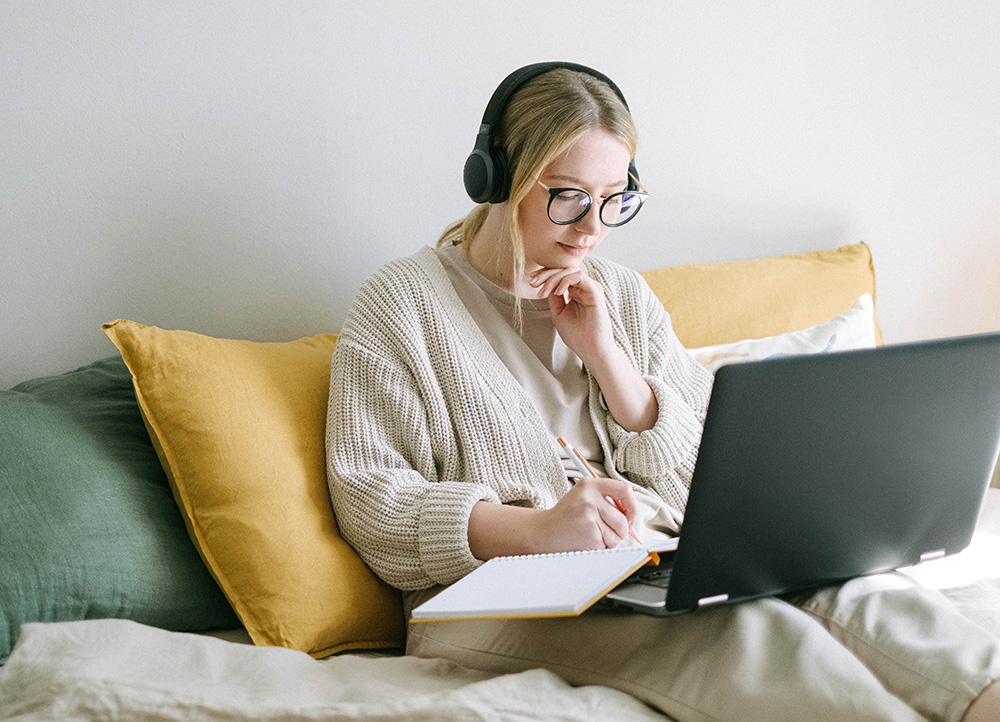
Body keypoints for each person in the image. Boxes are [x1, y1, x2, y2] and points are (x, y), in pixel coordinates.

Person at [326, 62, 1000, 722]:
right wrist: (537, 530)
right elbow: (372, 500)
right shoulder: (401, 305)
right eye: (567, 195)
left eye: (614, 199)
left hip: (654, 563)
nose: (592, 227)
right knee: (757, 640)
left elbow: (709, 467)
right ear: (498, 179)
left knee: (872, 600)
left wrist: (608, 358)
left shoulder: (619, 293)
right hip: (488, 600)